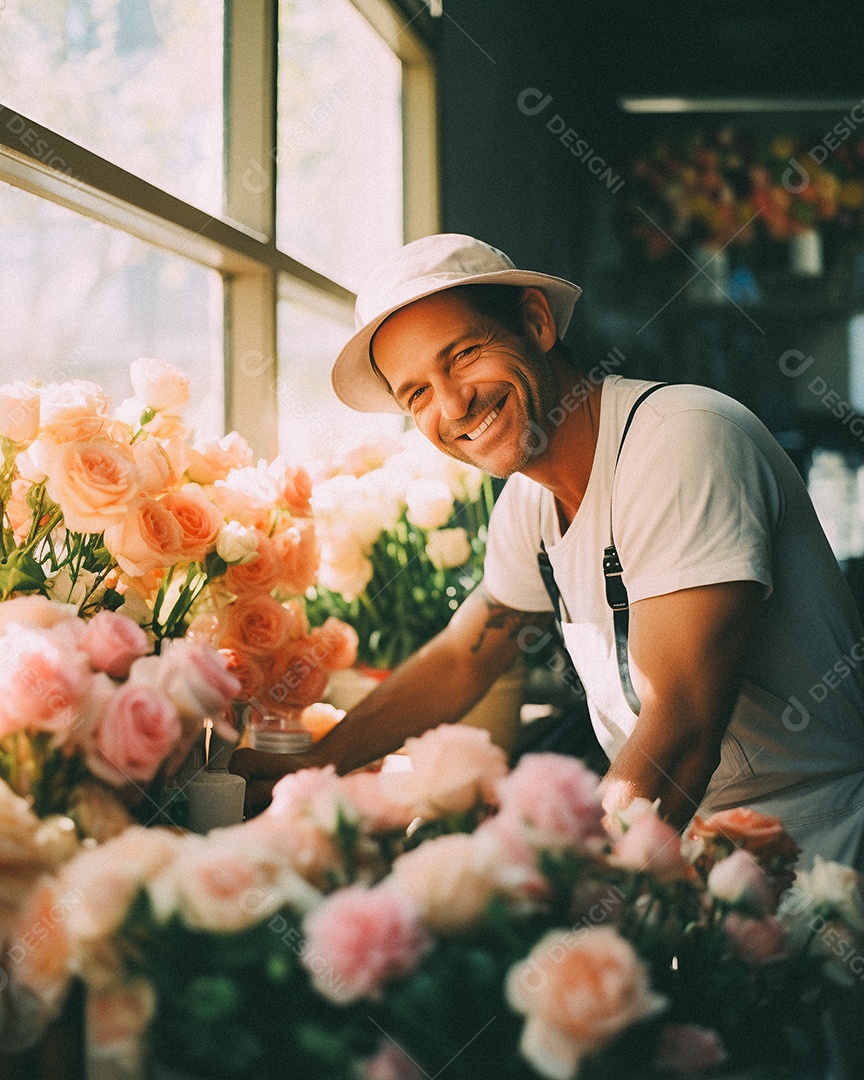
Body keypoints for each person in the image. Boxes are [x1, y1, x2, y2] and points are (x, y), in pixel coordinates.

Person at [231, 232, 864, 874]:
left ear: (535, 321)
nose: (452, 405)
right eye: (416, 393)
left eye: (465, 354)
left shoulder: (681, 439)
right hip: (695, 851)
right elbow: (460, 660)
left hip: (821, 857)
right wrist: (317, 760)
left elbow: (683, 723)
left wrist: (578, 887)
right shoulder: (530, 507)